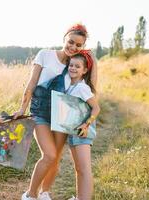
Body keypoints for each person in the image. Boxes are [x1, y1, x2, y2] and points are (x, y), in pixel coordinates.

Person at [13, 24, 98, 200]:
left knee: (56, 158)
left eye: (78, 45)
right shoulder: (45, 55)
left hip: (61, 116)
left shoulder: (74, 65)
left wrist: (94, 60)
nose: (73, 47)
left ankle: (45, 193)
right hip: (40, 113)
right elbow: (32, 83)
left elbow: (89, 86)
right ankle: (30, 194)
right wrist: (22, 108)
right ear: (65, 38)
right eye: (71, 42)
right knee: (49, 154)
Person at [64, 50, 100, 200]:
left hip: (82, 132)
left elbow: (97, 108)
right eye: (71, 65)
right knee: (78, 169)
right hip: (72, 133)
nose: (72, 68)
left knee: (85, 169)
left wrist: (86, 124)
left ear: (84, 70)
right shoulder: (70, 85)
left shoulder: (82, 87)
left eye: (77, 66)